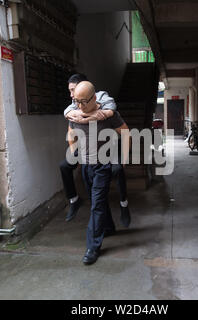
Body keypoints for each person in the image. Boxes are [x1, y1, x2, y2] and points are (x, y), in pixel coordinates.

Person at [67, 81, 130, 265]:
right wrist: (74, 153)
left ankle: (92, 247)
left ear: (94, 98)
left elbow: (125, 132)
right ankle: (108, 226)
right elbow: (71, 132)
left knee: (96, 205)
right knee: (97, 201)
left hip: (103, 165)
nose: (80, 106)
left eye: (84, 101)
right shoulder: (75, 115)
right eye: (76, 101)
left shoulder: (108, 115)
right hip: (86, 166)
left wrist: (124, 159)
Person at [59, 74, 131, 227]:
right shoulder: (75, 104)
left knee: (118, 169)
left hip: (109, 144)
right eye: (71, 92)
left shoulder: (101, 98)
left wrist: (103, 114)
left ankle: (123, 204)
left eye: (73, 91)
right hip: (87, 146)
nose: (71, 95)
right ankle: (74, 200)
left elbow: (111, 107)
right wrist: (75, 154)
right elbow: (69, 123)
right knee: (65, 165)